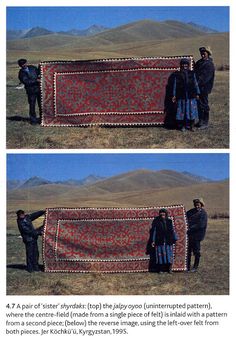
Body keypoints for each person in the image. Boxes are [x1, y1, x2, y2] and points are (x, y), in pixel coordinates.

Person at [172, 58, 200, 132]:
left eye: (186, 64)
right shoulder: (177, 74)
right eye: (183, 64)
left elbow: (195, 83)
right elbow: (175, 85)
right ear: (181, 65)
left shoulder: (192, 73)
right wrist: (174, 95)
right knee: (182, 111)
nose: (184, 65)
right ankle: (183, 126)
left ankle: (191, 126)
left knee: (191, 111)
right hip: (181, 95)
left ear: (188, 65)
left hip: (191, 95)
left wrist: (197, 93)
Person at [147, 208, 177, 273]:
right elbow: (154, 231)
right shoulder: (156, 221)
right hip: (159, 241)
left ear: (166, 214)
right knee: (160, 256)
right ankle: (161, 269)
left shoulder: (169, 221)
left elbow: (172, 230)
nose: (162, 214)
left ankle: (169, 269)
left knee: (169, 255)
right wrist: (153, 241)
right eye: (161, 212)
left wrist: (175, 238)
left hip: (168, 241)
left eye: (163, 212)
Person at [194, 47, 215, 129]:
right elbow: (195, 70)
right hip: (198, 86)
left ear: (208, 53)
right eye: (201, 53)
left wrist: (196, 84)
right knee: (199, 104)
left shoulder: (209, 64)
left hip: (204, 87)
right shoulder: (199, 62)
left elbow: (205, 78)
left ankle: (205, 123)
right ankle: (200, 121)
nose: (202, 54)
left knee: (204, 104)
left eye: (204, 53)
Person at [17, 58, 41, 125]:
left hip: (39, 89)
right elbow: (26, 82)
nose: (24, 65)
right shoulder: (21, 73)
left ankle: (42, 119)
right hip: (31, 91)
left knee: (41, 105)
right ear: (20, 65)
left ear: (26, 63)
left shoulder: (32, 67)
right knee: (32, 106)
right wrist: (36, 81)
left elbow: (39, 72)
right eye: (22, 64)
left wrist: (40, 66)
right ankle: (33, 121)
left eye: (25, 63)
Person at [186, 198, 208, 272]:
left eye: (198, 205)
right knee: (188, 251)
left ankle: (195, 266)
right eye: (195, 205)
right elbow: (184, 216)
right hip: (189, 234)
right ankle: (187, 266)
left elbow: (201, 225)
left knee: (196, 251)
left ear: (201, 205)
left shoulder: (203, 214)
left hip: (197, 235)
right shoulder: (190, 212)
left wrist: (190, 228)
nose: (197, 206)